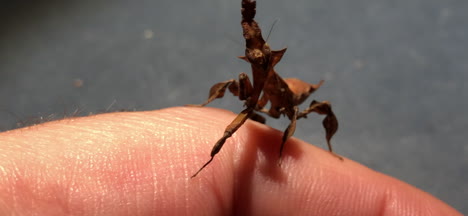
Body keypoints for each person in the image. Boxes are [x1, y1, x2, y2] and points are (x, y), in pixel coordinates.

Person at [0, 107, 462, 215]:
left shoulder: (282, 99)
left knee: (310, 114)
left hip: (291, 103)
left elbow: (285, 114)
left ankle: (331, 145)